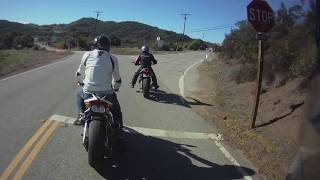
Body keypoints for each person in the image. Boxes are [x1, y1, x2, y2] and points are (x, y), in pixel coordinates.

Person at [74, 35, 123, 137]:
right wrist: (115, 88)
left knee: (79, 94)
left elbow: (79, 74)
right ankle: (119, 133)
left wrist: (80, 82)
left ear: (94, 45)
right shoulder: (113, 58)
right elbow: (117, 79)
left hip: (88, 92)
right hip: (107, 95)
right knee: (117, 111)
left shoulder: (86, 55)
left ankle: (81, 115)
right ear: (108, 46)